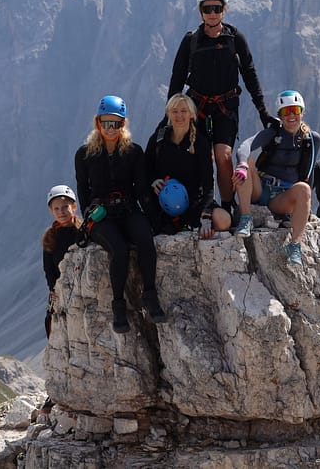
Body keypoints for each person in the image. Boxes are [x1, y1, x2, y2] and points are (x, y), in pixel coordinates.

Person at [166, 0, 276, 212]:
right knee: (200, 155)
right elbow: (177, 77)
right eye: (208, 8)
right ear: (200, 10)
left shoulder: (235, 39)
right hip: (197, 106)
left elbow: (250, 74)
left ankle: (227, 205)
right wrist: (170, 113)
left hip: (226, 108)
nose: (213, 13)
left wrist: (263, 111)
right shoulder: (191, 41)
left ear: (225, 9)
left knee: (223, 155)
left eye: (217, 8)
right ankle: (202, 204)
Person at [74, 95, 167, 333]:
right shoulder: (84, 155)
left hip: (128, 209)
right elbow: (83, 191)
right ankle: (118, 305)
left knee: (145, 239)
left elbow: (142, 190)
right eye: (105, 123)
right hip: (100, 216)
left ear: (123, 124)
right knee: (119, 249)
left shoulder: (134, 153)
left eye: (115, 123)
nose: (110, 128)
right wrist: (88, 214)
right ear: (97, 123)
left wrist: (155, 220)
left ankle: (150, 294)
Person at [232, 90, 320, 265]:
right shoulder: (273, 133)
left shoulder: (311, 139)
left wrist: (302, 207)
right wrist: (242, 164)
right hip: (261, 189)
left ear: (302, 112)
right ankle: (246, 219)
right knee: (247, 160)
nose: (292, 116)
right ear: (280, 115)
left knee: (304, 188)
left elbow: (309, 174)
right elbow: (246, 146)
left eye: (295, 110)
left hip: (283, 197)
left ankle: (294, 245)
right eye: (286, 111)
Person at [144, 94, 233, 237]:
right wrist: (153, 180)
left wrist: (206, 216)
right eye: (175, 111)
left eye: (183, 111)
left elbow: (207, 183)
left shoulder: (200, 143)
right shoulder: (159, 139)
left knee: (224, 220)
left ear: (192, 114)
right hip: (163, 201)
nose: (179, 115)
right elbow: (145, 168)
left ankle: (186, 223)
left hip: (194, 201)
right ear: (168, 114)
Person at [41, 184, 82, 338]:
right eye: (56, 209)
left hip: (82, 284)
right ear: (51, 211)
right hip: (59, 288)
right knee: (50, 319)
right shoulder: (50, 237)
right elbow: (48, 269)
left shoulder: (84, 231)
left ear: (74, 206)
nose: (61, 212)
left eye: (65, 207)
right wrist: (53, 290)